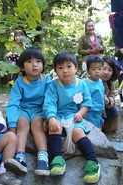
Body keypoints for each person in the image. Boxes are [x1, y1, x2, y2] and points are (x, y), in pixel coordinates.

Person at [43, 51, 101, 184]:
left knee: (77, 132)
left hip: (73, 115)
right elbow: (49, 103)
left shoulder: (81, 84)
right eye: (60, 68)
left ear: (76, 67)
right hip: (58, 113)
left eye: (69, 66)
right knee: (54, 127)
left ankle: (92, 161)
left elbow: (87, 102)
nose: (65, 71)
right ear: (56, 70)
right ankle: (58, 159)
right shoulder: (54, 85)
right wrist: (51, 117)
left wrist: (81, 112)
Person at [5, 48, 51, 176]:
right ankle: (20, 156)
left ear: (42, 65)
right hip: (23, 110)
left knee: (37, 125)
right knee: (22, 124)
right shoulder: (19, 82)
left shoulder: (46, 81)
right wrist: (12, 124)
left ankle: (43, 158)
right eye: (29, 61)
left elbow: (50, 100)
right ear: (23, 67)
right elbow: (13, 103)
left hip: (39, 110)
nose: (34, 64)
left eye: (38, 61)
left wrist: (48, 117)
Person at [84, 55, 105, 128]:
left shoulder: (99, 81)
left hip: (99, 110)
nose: (97, 71)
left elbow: (101, 92)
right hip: (90, 112)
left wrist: (105, 98)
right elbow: (83, 98)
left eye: (100, 69)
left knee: (98, 125)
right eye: (93, 69)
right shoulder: (85, 83)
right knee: (91, 128)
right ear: (88, 71)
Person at [101, 57, 119, 133]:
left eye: (110, 70)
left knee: (114, 110)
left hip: (104, 108)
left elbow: (114, 96)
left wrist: (109, 101)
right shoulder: (90, 81)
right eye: (103, 69)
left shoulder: (110, 83)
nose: (106, 72)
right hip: (91, 109)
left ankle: (108, 128)